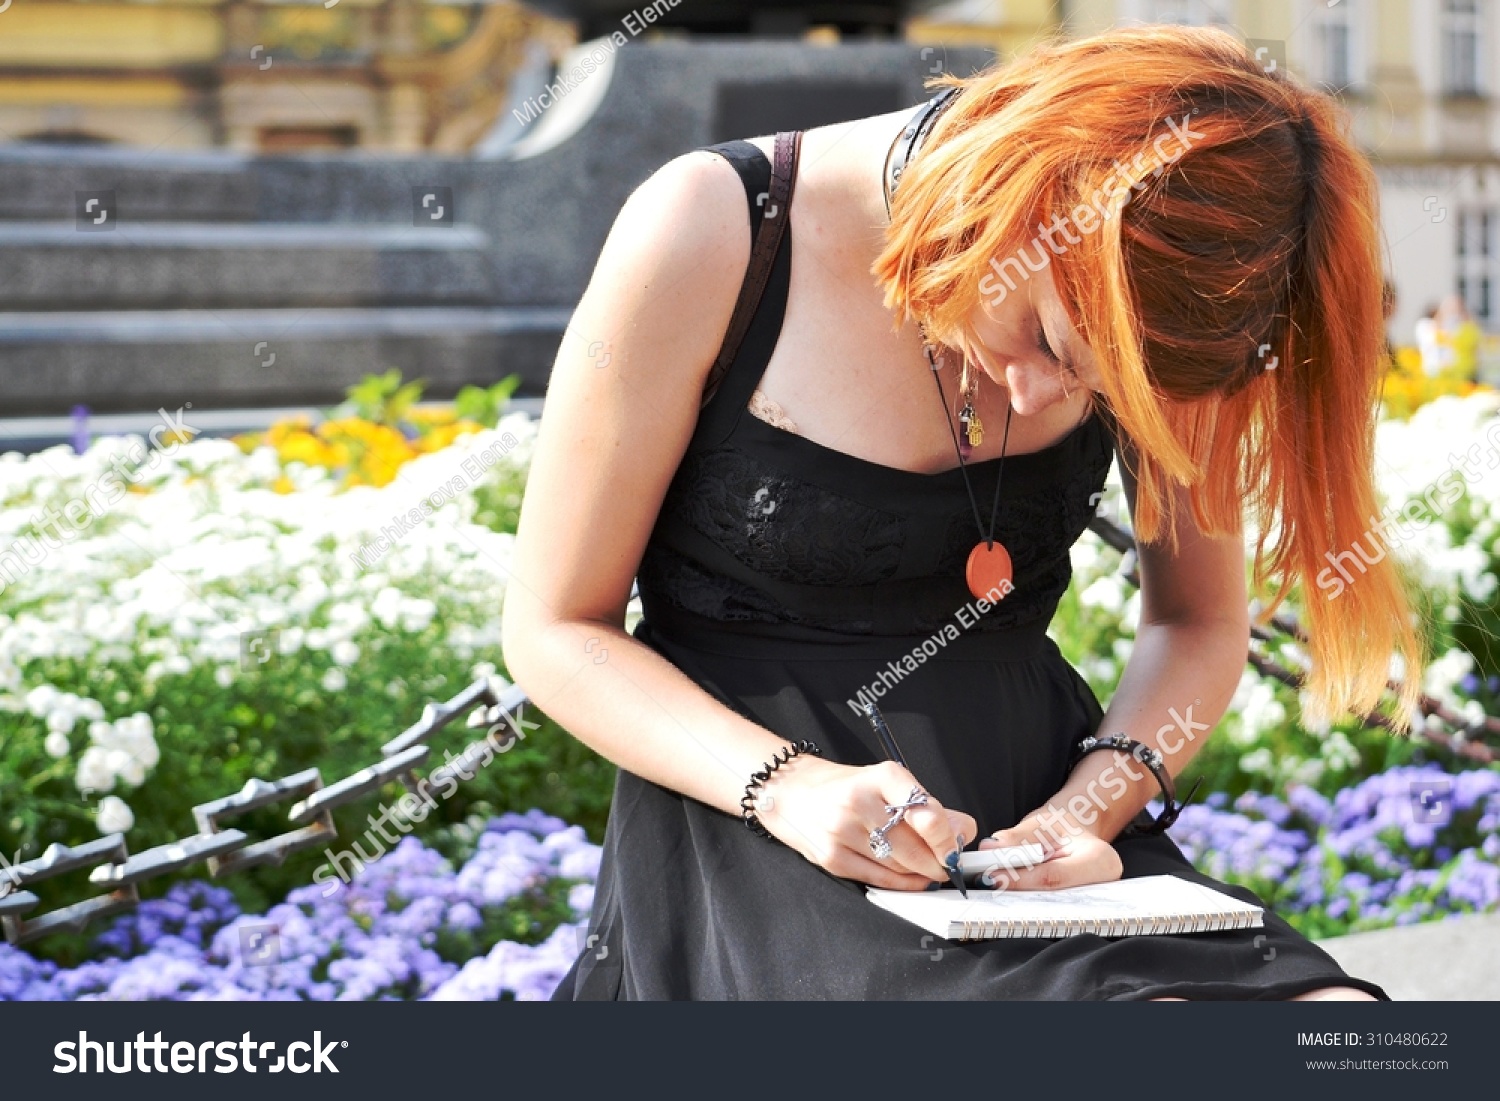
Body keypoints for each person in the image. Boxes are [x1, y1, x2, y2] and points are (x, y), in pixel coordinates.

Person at [501, 24, 1425, 1000]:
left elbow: (1197, 621)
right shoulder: (711, 227)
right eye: (1048, 340)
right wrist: (788, 786)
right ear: (1032, 195)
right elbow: (556, 627)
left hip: (1051, 848)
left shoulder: (1173, 287)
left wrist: (1087, 810)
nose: (1035, 399)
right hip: (753, 833)